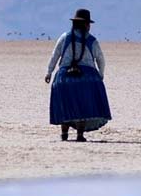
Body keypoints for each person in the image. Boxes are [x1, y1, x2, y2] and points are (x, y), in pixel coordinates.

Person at [45, 8, 112, 142]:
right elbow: (101, 60)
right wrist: (100, 75)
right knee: (83, 106)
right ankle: (80, 135)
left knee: (66, 105)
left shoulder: (64, 37)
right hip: (86, 78)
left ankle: (64, 134)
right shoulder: (92, 40)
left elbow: (55, 55)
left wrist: (49, 72)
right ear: (86, 24)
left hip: (64, 78)